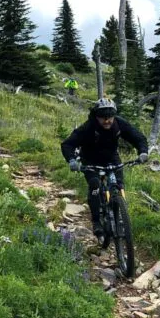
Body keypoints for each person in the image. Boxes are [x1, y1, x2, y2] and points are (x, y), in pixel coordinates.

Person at [60, 97, 148, 238]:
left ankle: (119, 214)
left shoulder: (119, 124)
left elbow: (138, 137)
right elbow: (67, 144)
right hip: (90, 160)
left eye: (110, 117)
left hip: (112, 159)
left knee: (118, 186)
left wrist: (143, 152)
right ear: (96, 116)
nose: (107, 121)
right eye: (103, 118)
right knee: (95, 186)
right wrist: (71, 160)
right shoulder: (89, 127)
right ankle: (96, 222)